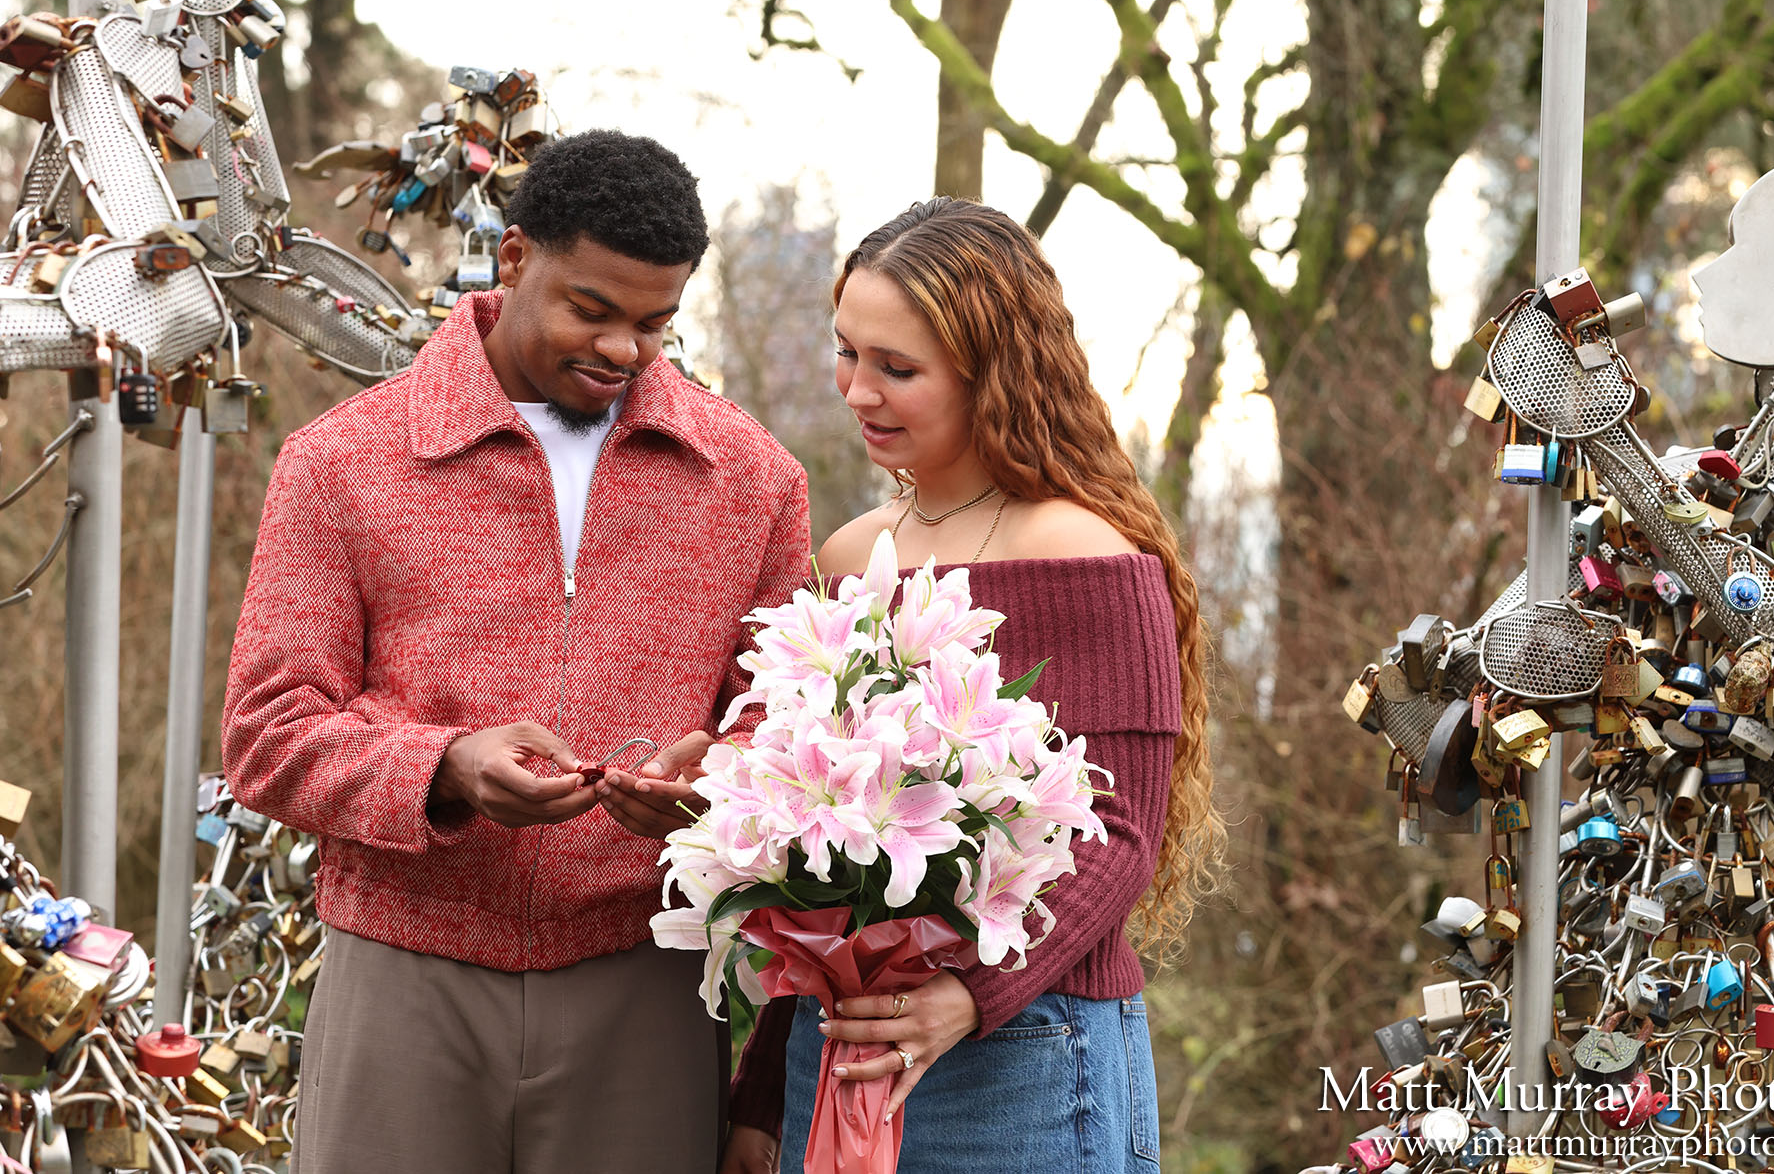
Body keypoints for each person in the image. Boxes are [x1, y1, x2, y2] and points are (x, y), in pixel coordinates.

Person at [220, 130, 810, 1174]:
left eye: (654, 323)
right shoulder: (340, 462)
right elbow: (267, 734)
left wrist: (718, 781)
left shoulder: (754, 481)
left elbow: (786, 722)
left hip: (646, 977)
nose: (623, 348)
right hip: (402, 972)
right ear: (514, 256)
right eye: (592, 309)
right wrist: (443, 766)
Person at [720, 198, 1226, 1173]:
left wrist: (968, 997)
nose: (857, 390)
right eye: (846, 352)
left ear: (991, 373)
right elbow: (814, 865)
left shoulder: (1082, 550)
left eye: (896, 368)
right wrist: (761, 1091)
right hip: (837, 1052)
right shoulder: (851, 555)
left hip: (1022, 1054)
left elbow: (1119, 836)